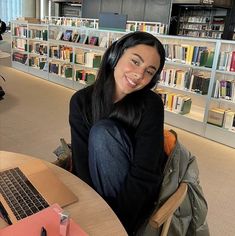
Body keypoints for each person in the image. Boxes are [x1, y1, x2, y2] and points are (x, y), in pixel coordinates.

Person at [69, 31, 166, 235]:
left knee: (102, 133)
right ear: (115, 56)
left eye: (149, 71)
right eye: (135, 61)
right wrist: (89, 211)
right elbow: (82, 163)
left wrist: (115, 223)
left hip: (134, 201)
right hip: (97, 193)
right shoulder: (81, 101)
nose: (139, 74)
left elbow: (145, 173)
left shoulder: (151, 104)